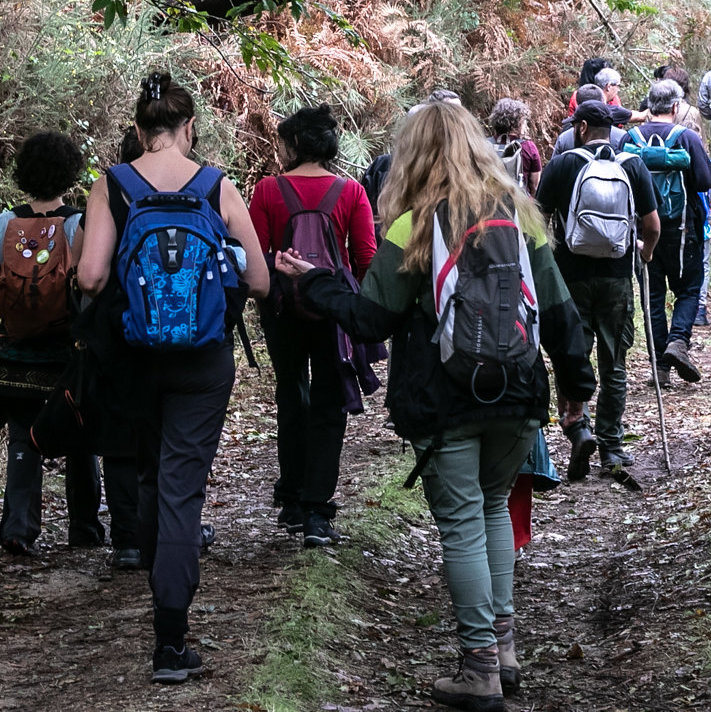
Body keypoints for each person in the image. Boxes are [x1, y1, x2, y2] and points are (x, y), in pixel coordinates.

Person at [276, 99, 595, 712]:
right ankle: (503, 651)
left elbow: (372, 317)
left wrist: (312, 279)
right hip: (520, 392)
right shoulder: (521, 215)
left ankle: (479, 669)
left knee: (461, 523)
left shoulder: (413, 226)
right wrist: (576, 386)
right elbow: (558, 311)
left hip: (445, 397)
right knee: (496, 508)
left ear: (413, 155)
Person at [76, 73, 270, 684]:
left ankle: (162, 614)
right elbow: (261, 281)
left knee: (149, 475)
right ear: (190, 128)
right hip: (203, 364)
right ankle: (170, 640)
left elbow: (89, 278)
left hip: (134, 360)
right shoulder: (217, 186)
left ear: (138, 130)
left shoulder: (113, 184)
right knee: (181, 488)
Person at [249, 105, 380, 548]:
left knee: (292, 395)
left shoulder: (267, 190)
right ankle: (317, 514)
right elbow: (364, 259)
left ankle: (290, 499)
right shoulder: (351, 192)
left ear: (295, 144)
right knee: (329, 404)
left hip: (282, 308)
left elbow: (256, 259)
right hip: (333, 309)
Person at [536, 102, 660, 480]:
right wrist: (645, 253)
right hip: (617, 279)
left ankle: (579, 429)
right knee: (614, 363)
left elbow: (536, 221)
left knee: (572, 357)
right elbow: (652, 225)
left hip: (569, 280)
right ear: (615, 129)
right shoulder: (633, 165)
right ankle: (612, 448)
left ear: (583, 127)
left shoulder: (563, 164)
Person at [0, 130, 90, 556]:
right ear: (69, 173)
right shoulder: (78, 222)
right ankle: (84, 527)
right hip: (68, 351)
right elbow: (87, 284)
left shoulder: (6, 222)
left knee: (23, 437)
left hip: (17, 350)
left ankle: (17, 528)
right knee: (82, 436)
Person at [632, 80, 711, 385]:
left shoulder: (631, 138)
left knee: (652, 298)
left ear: (648, 106)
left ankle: (660, 368)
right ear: (676, 107)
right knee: (690, 289)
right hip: (683, 230)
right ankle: (678, 342)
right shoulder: (687, 138)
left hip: (643, 233)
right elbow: (705, 181)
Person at [485, 98, 544, 196]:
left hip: (488, 202)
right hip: (518, 203)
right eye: (524, 121)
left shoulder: (484, 144)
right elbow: (534, 184)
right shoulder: (528, 147)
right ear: (518, 123)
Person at [552, 83, 627, 157]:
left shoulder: (565, 138)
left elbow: (554, 167)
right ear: (603, 103)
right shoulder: (622, 137)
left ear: (577, 105)